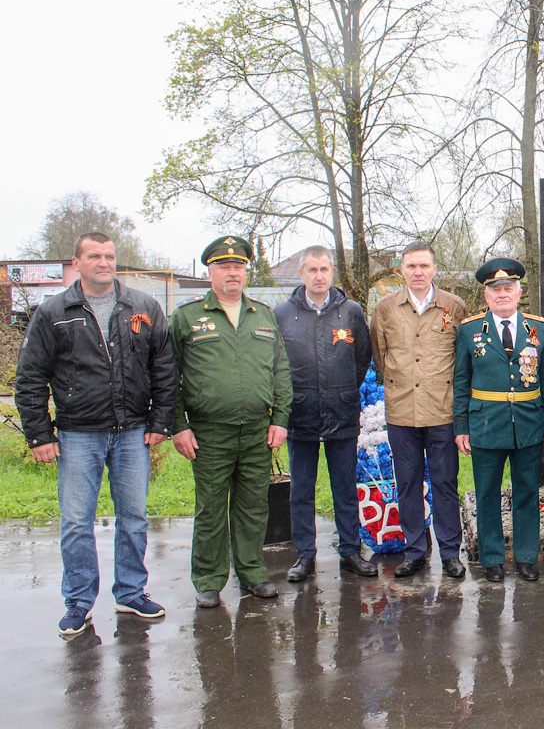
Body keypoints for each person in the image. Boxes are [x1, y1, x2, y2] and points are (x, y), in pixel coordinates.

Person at [15, 232, 176, 636]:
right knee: (75, 521)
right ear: (77, 261)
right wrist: (39, 435)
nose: (103, 262)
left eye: (109, 256)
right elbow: (30, 377)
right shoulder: (53, 312)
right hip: (76, 434)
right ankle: (79, 601)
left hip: (132, 433)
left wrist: (160, 423)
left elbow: (165, 370)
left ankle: (131, 593)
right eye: (94, 256)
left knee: (134, 518)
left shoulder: (143, 307)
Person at [169, 236, 292, 608]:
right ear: (210, 272)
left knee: (254, 506)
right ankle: (208, 578)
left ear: (245, 272)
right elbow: (167, 375)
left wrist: (280, 418)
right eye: (224, 266)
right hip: (208, 433)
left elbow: (280, 371)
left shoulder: (263, 315)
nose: (232, 272)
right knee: (210, 508)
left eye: (238, 266)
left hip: (257, 430)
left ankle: (253, 572)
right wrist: (178, 424)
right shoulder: (188, 318)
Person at [453, 259, 544, 582]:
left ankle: (527, 557)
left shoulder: (538, 329)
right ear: (486, 296)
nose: (502, 294)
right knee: (486, 493)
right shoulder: (470, 331)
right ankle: (492, 559)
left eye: (508, 289)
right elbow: (461, 381)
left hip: (529, 422)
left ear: (519, 292)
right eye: (495, 290)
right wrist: (461, 426)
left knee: (527, 491)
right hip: (486, 424)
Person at [275, 245, 376, 583]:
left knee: (345, 487)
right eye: (312, 270)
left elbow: (362, 359)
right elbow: (277, 365)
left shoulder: (351, 312)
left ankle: (350, 550)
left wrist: (343, 390)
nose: (319, 276)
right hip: (299, 416)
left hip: (342, 413)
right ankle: (305, 555)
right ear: (301, 273)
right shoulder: (282, 315)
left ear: (332, 272)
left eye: (325, 269)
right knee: (301, 490)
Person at [371, 241, 470, 579]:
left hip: (442, 411)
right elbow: (380, 358)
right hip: (401, 413)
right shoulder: (385, 309)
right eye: (411, 266)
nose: (417, 272)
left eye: (423, 266)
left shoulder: (454, 306)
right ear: (401, 269)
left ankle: (450, 552)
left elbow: (462, 358)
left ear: (434, 269)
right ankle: (415, 551)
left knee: (445, 484)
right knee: (408, 484)